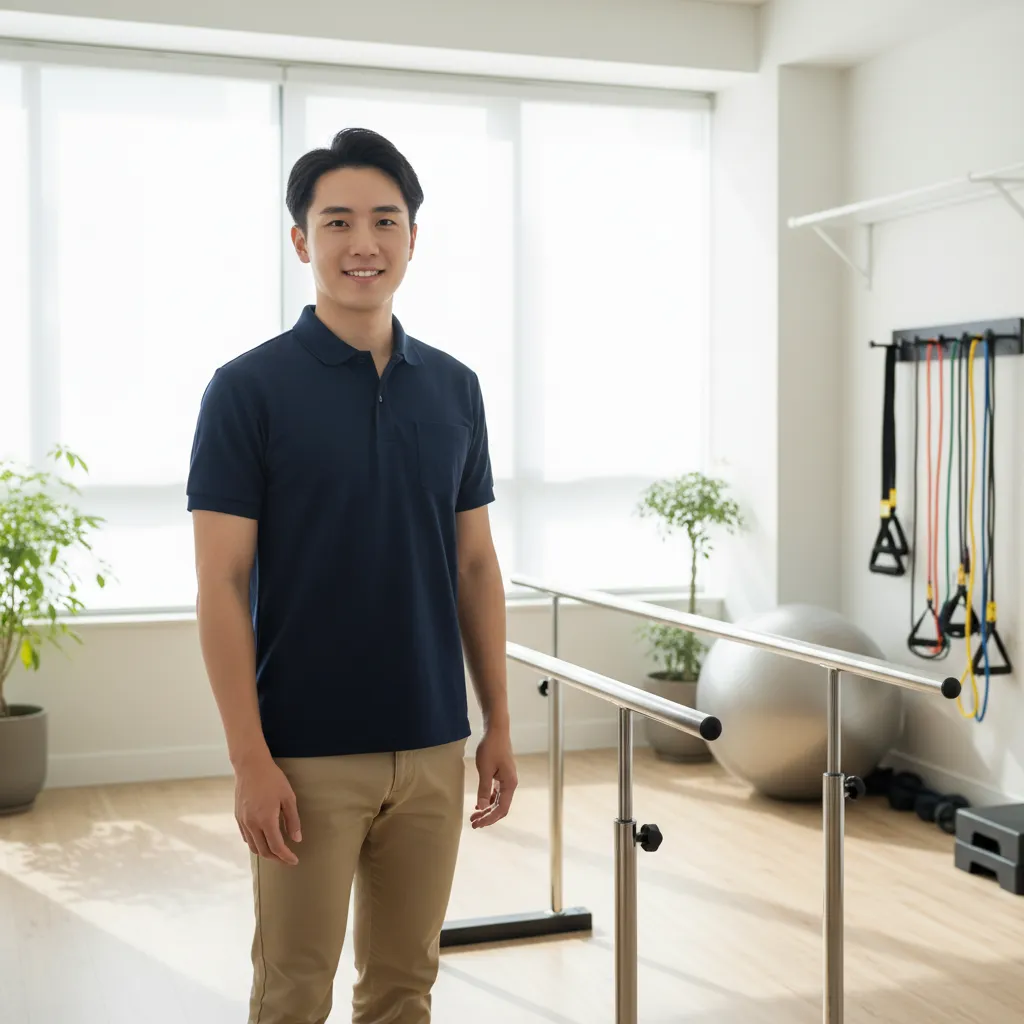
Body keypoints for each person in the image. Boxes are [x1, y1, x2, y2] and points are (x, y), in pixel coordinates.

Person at [187, 127, 517, 1024]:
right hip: (304, 753)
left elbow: (476, 563)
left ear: (414, 237)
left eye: (385, 220)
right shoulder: (246, 390)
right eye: (337, 222)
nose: (362, 242)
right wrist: (249, 759)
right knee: (293, 993)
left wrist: (496, 722)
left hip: (433, 743)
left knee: (406, 990)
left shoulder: (455, 390)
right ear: (302, 240)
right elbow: (220, 584)